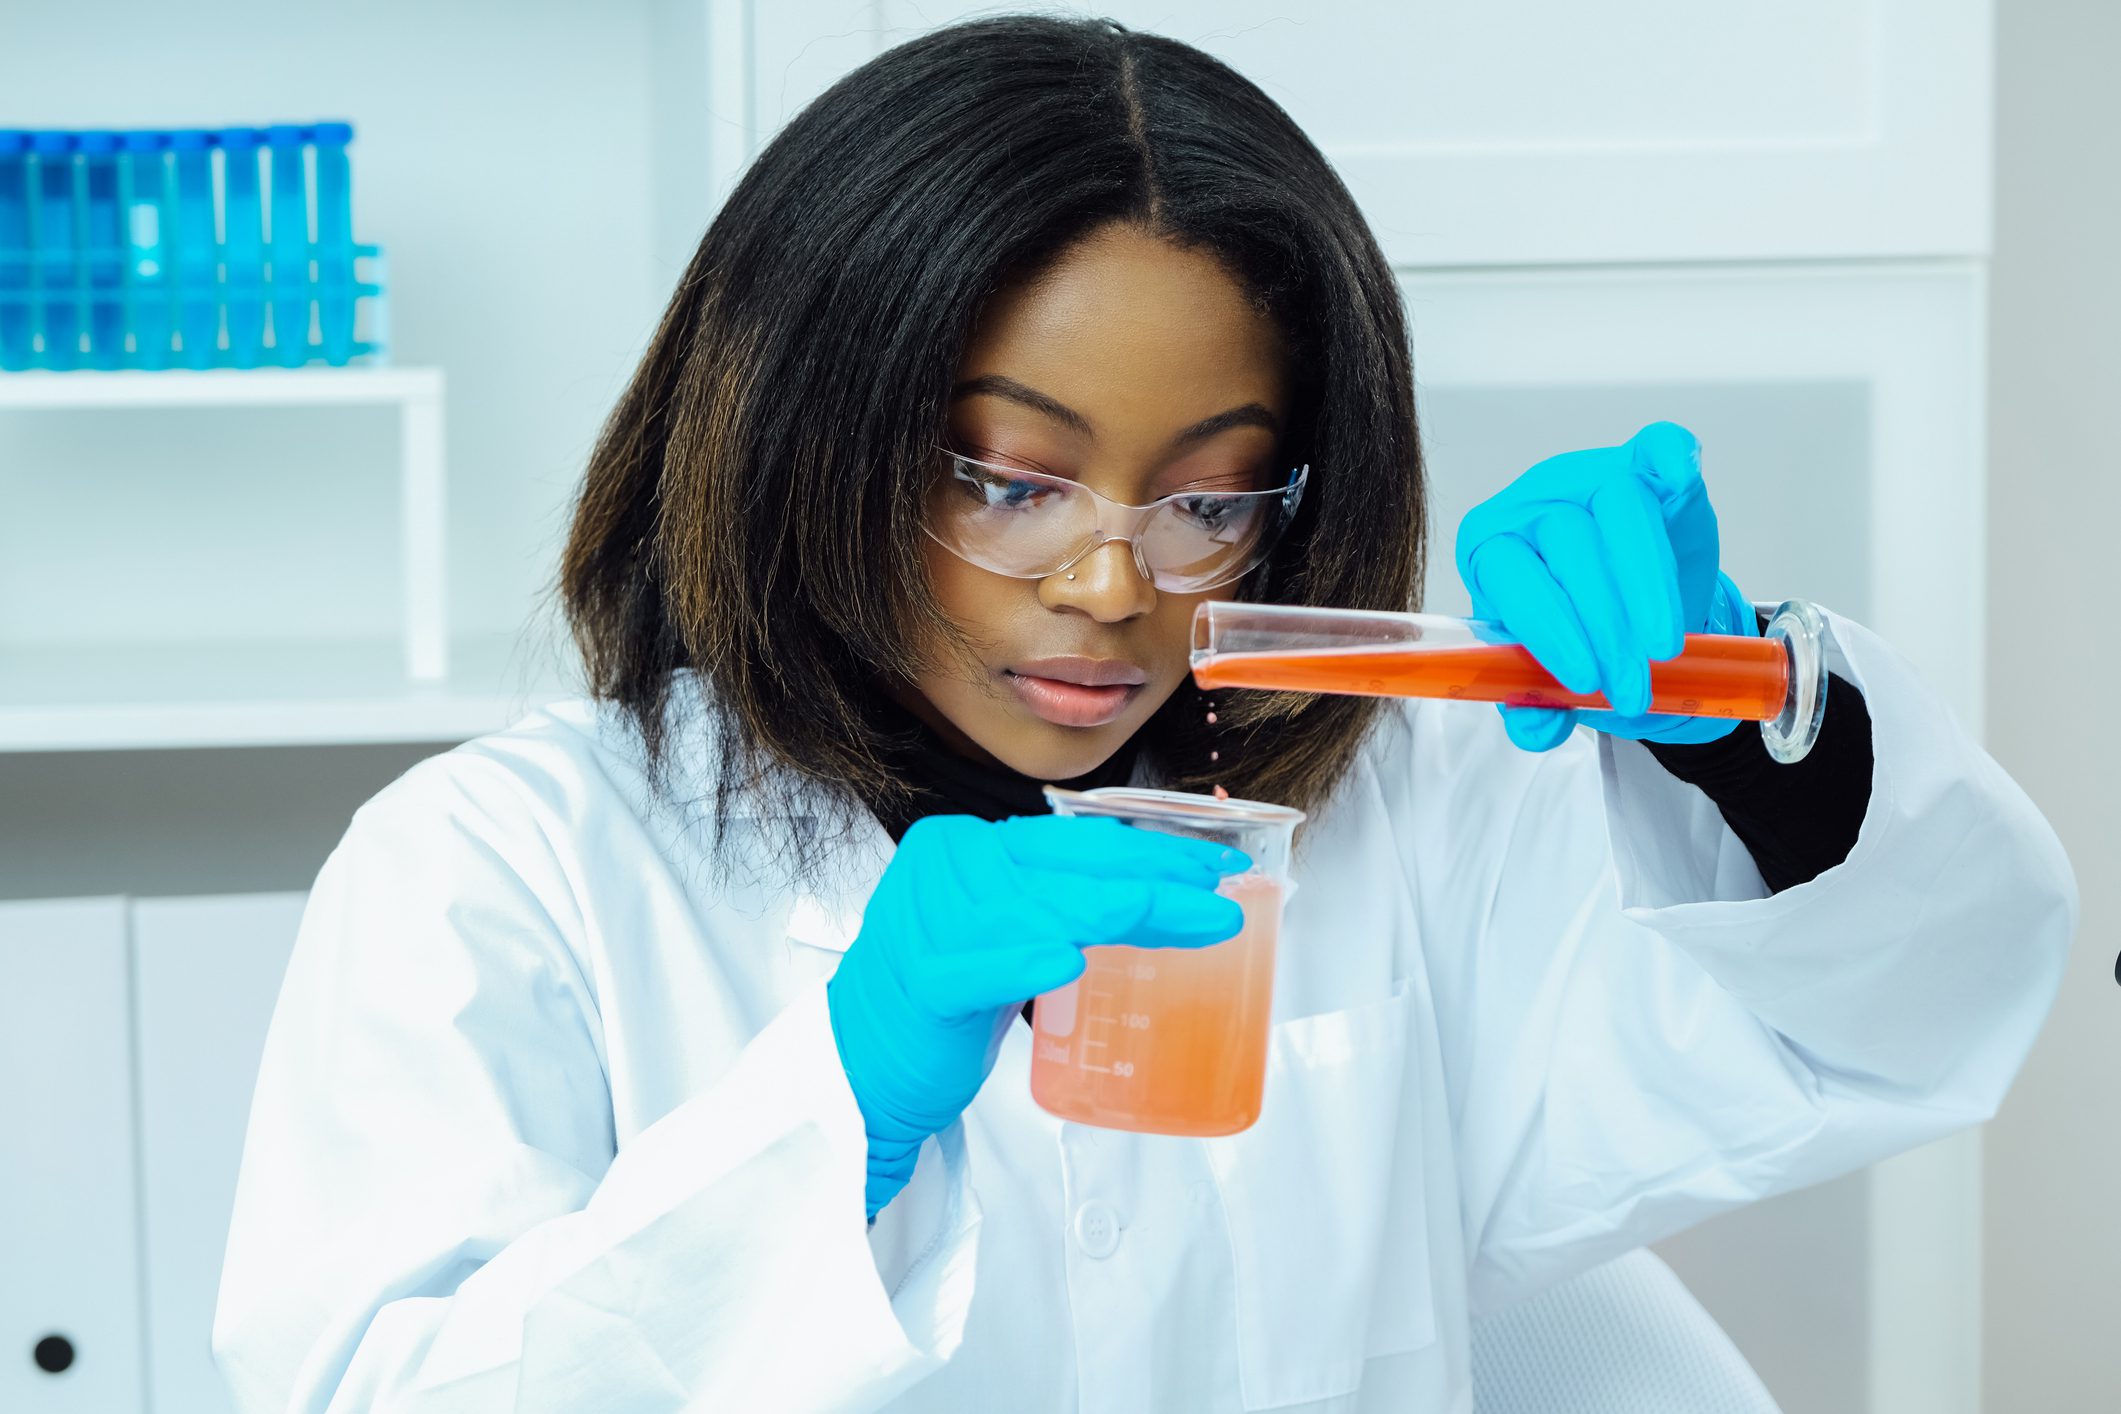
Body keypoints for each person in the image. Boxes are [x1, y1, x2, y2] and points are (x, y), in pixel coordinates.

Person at [212, 16, 2074, 1413]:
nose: (1113, 587)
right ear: (794, 435)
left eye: (1203, 498)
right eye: (1006, 480)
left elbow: (1893, 1022)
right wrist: (827, 1116)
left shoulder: (1411, 806)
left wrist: (1740, 727)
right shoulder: (504, 867)